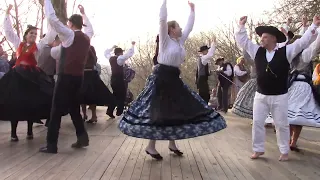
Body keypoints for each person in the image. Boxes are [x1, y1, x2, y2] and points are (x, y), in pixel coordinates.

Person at [118, 0, 226, 160]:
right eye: (178, 27)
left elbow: (189, 27)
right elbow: (162, 20)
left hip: (174, 79)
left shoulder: (179, 42)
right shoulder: (165, 40)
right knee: (160, 112)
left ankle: (172, 143)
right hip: (161, 79)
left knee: (175, 110)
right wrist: (164, 2)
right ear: (171, 30)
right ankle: (151, 146)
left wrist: (192, 11)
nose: (181, 29)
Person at [235, 15, 319, 161]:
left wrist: (313, 26)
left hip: (280, 96)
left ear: (274, 39)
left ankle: (284, 151)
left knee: (281, 125)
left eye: (265, 37)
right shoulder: (257, 51)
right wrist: (241, 27)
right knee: (257, 123)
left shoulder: (286, 52)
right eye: (261, 37)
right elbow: (244, 42)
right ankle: (258, 149)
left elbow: (302, 43)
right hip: (261, 95)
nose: (261, 39)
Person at [39, 0, 93, 153]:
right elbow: (91, 29)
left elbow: (52, 18)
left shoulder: (69, 35)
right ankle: (82, 138)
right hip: (78, 78)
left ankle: (51, 145)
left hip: (65, 78)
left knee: (55, 110)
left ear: (70, 23)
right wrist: (83, 14)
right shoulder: (87, 37)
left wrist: (47, 2)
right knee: (74, 108)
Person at [0, 4, 56, 141]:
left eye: (35, 34)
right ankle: (13, 132)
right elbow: (8, 32)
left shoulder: (40, 46)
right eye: (31, 33)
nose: (33, 35)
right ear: (26, 35)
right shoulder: (18, 43)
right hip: (17, 77)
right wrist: (7, 14)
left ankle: (30, 131)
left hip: (31, 77)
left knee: (31, 103)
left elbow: (51, 33)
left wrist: (49, 12)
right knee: (15, 103)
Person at [81, 45, 116, 123]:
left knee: (90, 96)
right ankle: (85, 115)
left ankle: (93, 116)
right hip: (84, 74)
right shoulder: (81, 48)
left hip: (89, 73)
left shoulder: (89, 48)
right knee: (82, 95)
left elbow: (94, 60)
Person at [104, 42, 135, 118]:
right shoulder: (119, 59)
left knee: (115, 95)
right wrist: (132, 45)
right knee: (122, 95)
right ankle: (119, 112)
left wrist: (112, 47)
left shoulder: (111, 58)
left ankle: (110, 110)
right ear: (120, 53)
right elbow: (128, 54)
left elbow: (106, 53)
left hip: (113, 79)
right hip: (119, 79)